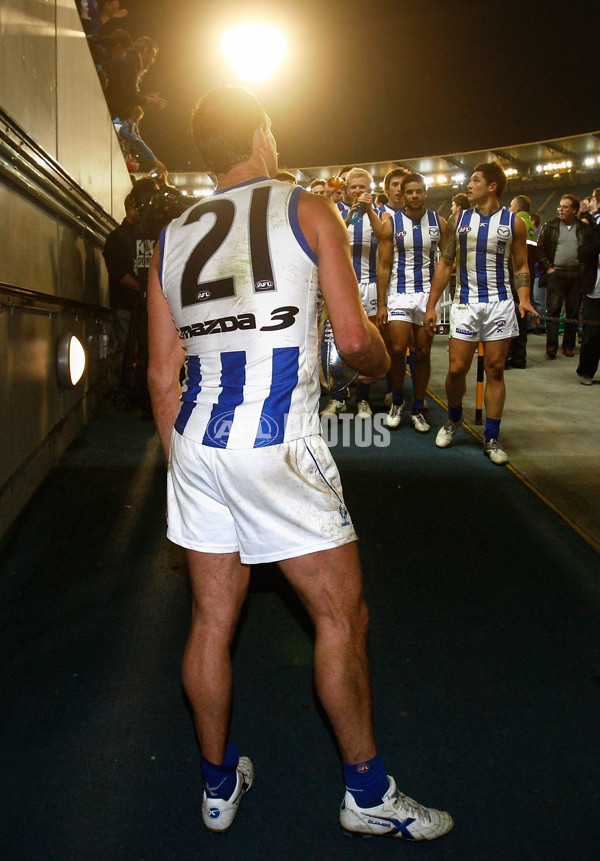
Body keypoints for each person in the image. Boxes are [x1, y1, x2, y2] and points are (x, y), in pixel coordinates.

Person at [147, 85, 453, 841]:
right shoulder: (305, 207)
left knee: (211, 621)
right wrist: (382, 358)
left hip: (196, 443)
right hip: (279, 442)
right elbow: (353, 342)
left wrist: (181, 466)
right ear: (257, 133)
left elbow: (161, 374)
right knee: (341, 616)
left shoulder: (171, 234)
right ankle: (368, 791)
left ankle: (218, 785)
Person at [424, 162, 537, 465]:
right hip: (466, 304)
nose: (468, 185)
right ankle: (454, 418)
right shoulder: (459, 218)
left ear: (492, 186)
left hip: (500, 304)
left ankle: (491, 436)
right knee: (456, 369)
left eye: (475, 180)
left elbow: (521, 266)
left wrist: (524, 298)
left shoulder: (513, 222)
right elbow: (446, 264)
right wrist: (431, 305)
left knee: (496, 369)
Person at [376, 172, 446, 432]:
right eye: (409, 192)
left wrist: (436, 298)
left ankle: (418, 407)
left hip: (427, 295)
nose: (414, 196)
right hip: (399, 293)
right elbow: (383, 266)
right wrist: (382, 303)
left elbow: (448, 261)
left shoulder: (439, 222)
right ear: (402, 195)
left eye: (419, 191)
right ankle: (396, 400)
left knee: (424, 352)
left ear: (425, 192)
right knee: (396, 349)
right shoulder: (391, 224)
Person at [321, 167, 384, 418]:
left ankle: (364, 400)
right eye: (353, 187)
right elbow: (330, 240)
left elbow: (387, 243)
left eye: (363, 187)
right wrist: (351, 216)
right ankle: (338, 398)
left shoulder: (381, 215)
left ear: (371, 190)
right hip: (340, 285)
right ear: (346, 190)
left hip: (369, 284)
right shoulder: (333, 212)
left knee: (365, 345)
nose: (358, 191)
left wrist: (368, 210)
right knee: (336, 344)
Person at [537, 194, 591, 358]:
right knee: (553, 311)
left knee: (573, 313)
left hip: (576, 274)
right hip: (556, 274)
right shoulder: (550, 227)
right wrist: (548, 268)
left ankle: (568, 346)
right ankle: (551, 347)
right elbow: (540, 250)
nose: (560, 209)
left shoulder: (583, 228)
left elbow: (589, 251)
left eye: (565, 207)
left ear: (574, 210)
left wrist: (582, 270)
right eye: (560, 206)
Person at [102, 190, 141, 393]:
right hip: (126, 302)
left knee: (127, 347)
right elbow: (118, 272)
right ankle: (123, 388)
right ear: (130, 208)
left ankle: (127, 388)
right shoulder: (117, 237)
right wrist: (144, 289)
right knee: (125, 347)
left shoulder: (121, 236)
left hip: (132, 301)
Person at [506, 194, 539, 368]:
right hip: (528, 277)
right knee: (522, 316)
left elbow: (515, 259)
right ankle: (520, 358)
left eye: (511, 206)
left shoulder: (516, 223)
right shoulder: (532, 226)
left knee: (511, 318)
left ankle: (510, 356)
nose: (510, 209)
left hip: (514, 279)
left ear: (517, 208)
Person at [105, 35, 167, 120]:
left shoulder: (129, 60)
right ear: (145, 51)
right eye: (153, 56)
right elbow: (126, 96)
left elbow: (124, 92)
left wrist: (145, 98)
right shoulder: (131, 64)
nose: (152, 61)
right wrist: (147, 101)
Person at [576, 202, 600, 384]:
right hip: (595, 292)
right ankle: (587, 372)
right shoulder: (593, 232)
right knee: (592, 335)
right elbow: (583, 253)